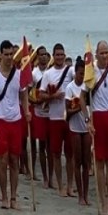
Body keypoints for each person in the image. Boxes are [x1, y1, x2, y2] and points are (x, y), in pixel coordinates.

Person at [0, 40, 31, 210]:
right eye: (6, 54)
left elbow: (24, 95)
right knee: (2, 159)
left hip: (16, 120)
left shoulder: (19, 75)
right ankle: (4, 196)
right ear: (1, 56)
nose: (9, 57)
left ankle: (13, 196)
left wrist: (26, 110)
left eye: (11, 54)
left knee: (14, 159)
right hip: (0, 120)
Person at [82, 40, 108, 215]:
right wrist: (87, 120)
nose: (105, 56)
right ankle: (103, 202)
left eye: (107, 52)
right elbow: (83, 97)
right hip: (97, 115)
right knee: (99, 162)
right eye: (102, 53)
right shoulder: (91, 72)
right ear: (97, 54)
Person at [39, 43, 74, 197]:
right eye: (57, 55)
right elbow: (40, 95)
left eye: (62, 54)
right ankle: (60, 184)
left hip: (69, 118)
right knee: (55, 153)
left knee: (70, 154)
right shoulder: (48, 74)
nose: (60, 57)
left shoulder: (70, 71)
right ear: (53, 56)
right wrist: (53, 96)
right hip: (54, 118)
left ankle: (70, 185)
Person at [65, 58, 92, 206]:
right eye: (80, 73)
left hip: (86, 127)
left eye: (84, 74)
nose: (82, 77)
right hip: (75, 127)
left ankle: (86, 194)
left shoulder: (88, 87)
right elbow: (67, 111)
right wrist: (79, 107)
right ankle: (80, 194)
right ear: (75, 73)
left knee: (86, 162)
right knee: (77, 161)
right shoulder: (70, 88)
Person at [30, 45, 52, 188]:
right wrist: (36, 101)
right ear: (37, 57)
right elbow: (27, 94)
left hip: (52, 113)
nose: (43, 56)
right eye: (41, 54)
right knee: (42, 146)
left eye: (45, 54)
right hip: (39, 112)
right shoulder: (34, 73)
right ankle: (44, 177)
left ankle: (51, 176)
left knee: (51, 147)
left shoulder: (51, 72)